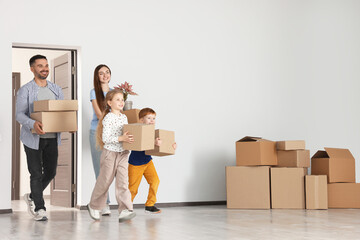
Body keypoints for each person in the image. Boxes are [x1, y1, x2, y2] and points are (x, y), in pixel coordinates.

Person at [16, 55, 64, 221]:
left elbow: (62, 112)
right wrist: (33, 123)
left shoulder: (56, 89)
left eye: (46, 65)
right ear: (32, 69)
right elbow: (19, 115)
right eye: (40, 66)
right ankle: (40, 208)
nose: (44, 68)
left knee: (51, 172)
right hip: (32, 138)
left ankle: (32, 195)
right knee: (36, 173)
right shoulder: (26, 90)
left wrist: (68, 125)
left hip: (52, 137)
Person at [87, 89, 136, 222]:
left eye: (122, 99)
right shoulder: (108, 118)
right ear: (109, 102)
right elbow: (106, 138)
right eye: (117, 99)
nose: (121, 102)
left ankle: (125, 210)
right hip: (110, 154)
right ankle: (94, 206)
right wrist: (121, 138)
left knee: (123, 182)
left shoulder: (124, 117)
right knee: (105, 182)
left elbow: (126, 134)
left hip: (123, 153)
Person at [128, 108, 177, 214]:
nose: (152, 120)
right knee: (133, 188)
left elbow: (160, 145)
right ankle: (126, 207)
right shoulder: (137, 131)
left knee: (155, 181)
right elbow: (143, 144)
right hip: (135, 164)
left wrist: (171, 146)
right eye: (149, 118)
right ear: (141, 120)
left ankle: (150, 205)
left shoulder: (153, 133)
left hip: (148, 162)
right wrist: (153, 143)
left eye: (154, 118)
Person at [89, 64, 112, 215]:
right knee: (100, 169)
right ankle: (104, 204)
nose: (105, 75)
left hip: (113, 134)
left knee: (110, 170)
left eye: (107, 72)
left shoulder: (116, 93)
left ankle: (102, 203)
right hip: (96, 132)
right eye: (101, 73)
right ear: (97, 77)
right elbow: (98, 115)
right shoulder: (94, 92)